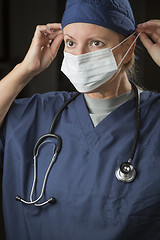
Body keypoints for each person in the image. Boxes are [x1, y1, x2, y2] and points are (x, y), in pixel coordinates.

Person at [0, 0, 160, 239]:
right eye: (71, 43)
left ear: (128, 49)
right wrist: (25, 69)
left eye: (96, 43)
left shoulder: (155, 117)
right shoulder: (37, 112)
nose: (80, 55)